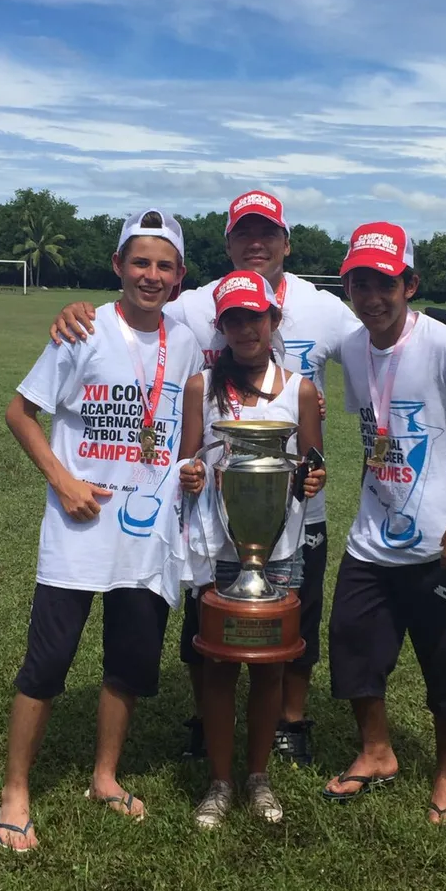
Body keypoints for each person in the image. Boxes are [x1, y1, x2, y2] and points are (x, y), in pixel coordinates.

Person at [49, 190, 360, 766]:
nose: (256, 243)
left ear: (287, 242)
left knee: (299, 615)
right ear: (228, 243)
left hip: (294, 510)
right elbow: (138, 310)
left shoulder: (322, 308)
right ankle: (205, 721)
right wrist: (79, 310)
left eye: (267, 233)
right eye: (245, 233)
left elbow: (373, 335)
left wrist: (440, 324)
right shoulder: (195, 304)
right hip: (215, 514)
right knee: (205, 620)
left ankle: (290, 722)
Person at [0, 209, 203, 851]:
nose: (151, 275)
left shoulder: (186, 342)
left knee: (128, 665)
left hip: (147, 538)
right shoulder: (83, 330)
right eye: (140, 262)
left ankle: (105, 777)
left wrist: (189, 471)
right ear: (118, 266)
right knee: (47, 663)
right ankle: (15, 792)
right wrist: (63, 480)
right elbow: (20, 413)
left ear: (179, 275)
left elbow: (187, 426)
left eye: (163, 265)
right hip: (77, 529)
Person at [322, 222, 446, 826]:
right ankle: (376, 752)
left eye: (384, 284)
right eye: (359, 284)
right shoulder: (354, 348)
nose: (371, 297)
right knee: (352, 643)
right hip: (373, 538)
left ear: (409, 285)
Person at [177, 271, 325, 828]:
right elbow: (189, 456)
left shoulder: (299, 390)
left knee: (270, 668)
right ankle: (219, 782)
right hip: (218, 547)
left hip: (280, 548)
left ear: (274, 320)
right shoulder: (201, 386)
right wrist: (191, 472)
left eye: (254, 317)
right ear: (222, 327)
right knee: (218, 665)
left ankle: (258, 777)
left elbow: (312, 465)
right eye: (233, 320)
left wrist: (313, 478)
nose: (245, 329)